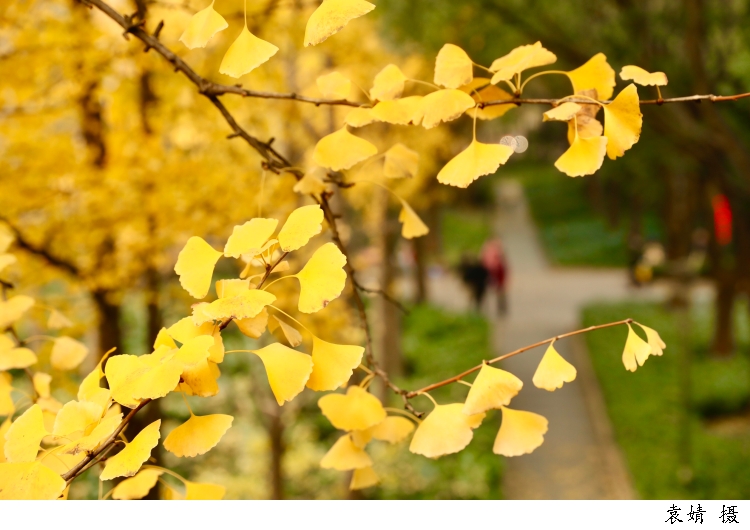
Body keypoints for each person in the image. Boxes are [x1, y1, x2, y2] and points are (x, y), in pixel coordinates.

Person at [481, 238, 508, 314]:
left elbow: (483, 260)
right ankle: (501, 308)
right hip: (494, 271)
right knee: (500, 292)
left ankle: (489, 308)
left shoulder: (487, 250)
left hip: (492, 272)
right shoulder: (497, 251)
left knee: (497, 292)